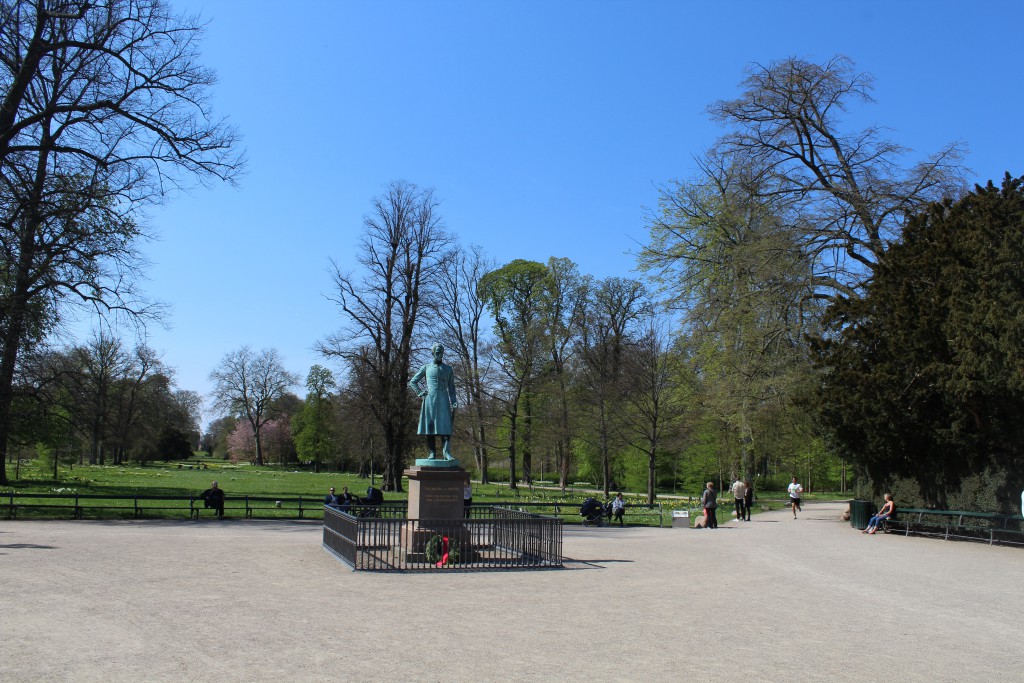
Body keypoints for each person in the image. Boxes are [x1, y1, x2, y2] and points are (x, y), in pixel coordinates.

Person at [408, 343, 458, 460]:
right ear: (433, 353)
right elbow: (413, 381)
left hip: (443, 400)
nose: (439, 354)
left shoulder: (448, 369)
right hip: (429, 399)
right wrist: (419, 392)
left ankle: (446, 452)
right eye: (437, 352)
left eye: (441, 352)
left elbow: (451, 387)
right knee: (429, 427)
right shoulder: (426, 367)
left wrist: (454, 401)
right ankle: (432, 453)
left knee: (445, 426)